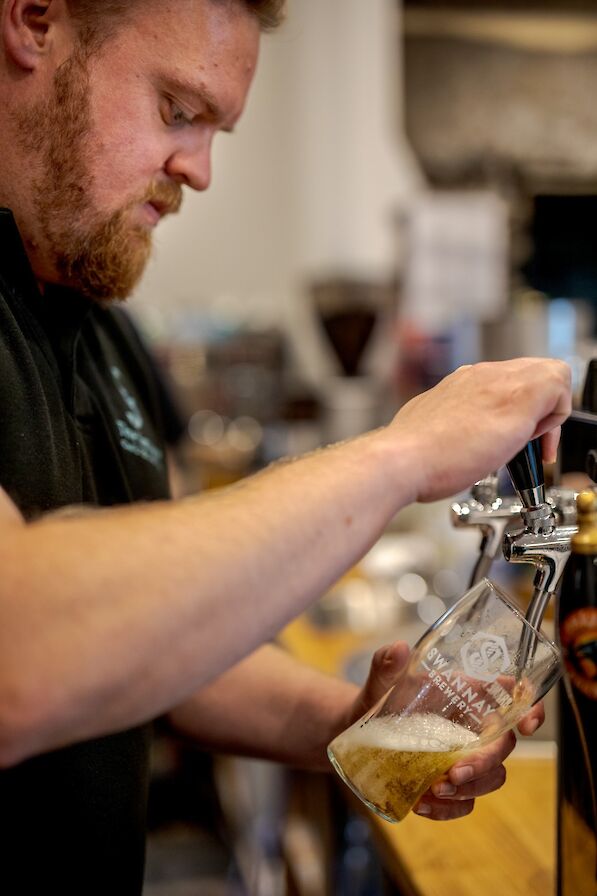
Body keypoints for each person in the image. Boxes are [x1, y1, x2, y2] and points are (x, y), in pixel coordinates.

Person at [0, 1, 571, 893]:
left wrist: (350, 719)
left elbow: (153, 644)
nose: (199, 169)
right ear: (34, 23)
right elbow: (19, 651)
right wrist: (402, 455)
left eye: (216, 129)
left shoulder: (93, 329)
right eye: (177, 110)